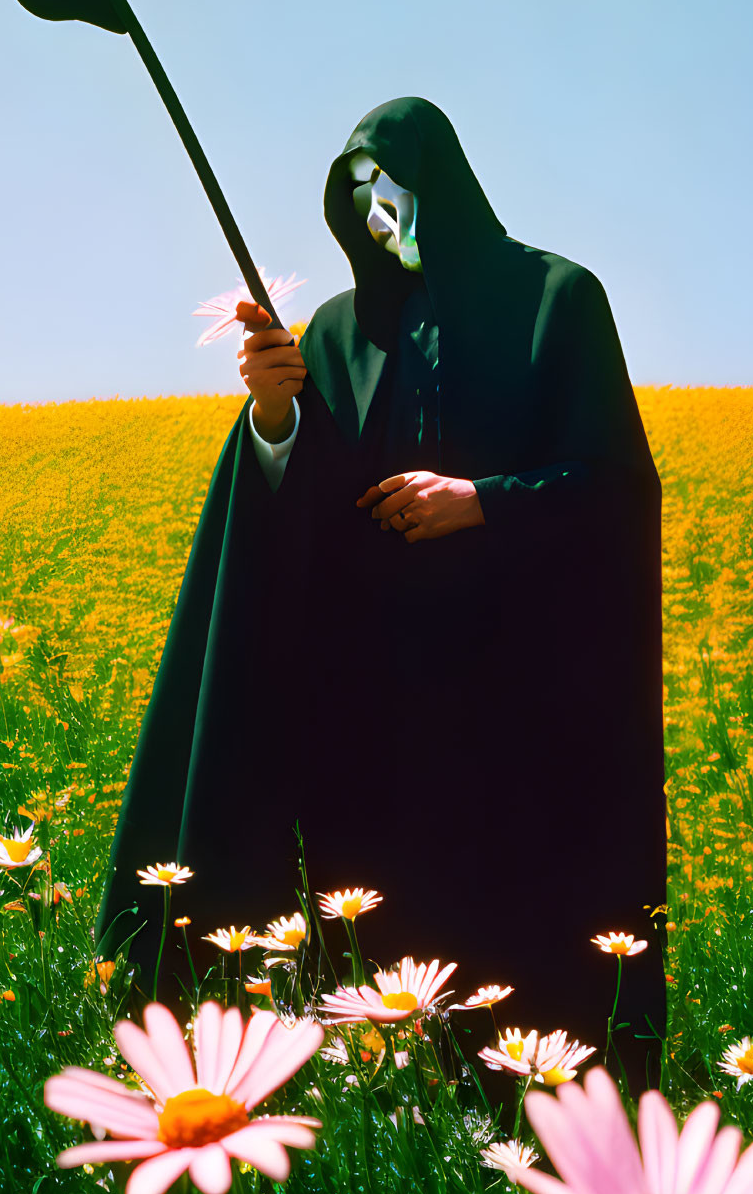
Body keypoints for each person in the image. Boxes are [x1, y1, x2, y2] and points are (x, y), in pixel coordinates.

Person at [96, 96, 665, 1086]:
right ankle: (392, 1125)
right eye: (352, 193)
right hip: (368, 721)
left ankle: (538, 1128)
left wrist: (479, 501)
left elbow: (617, 485)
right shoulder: (332, 333)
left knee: (527, 981)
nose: (374, 211)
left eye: (390, 187)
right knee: (374, 969)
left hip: (520, 712)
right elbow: (295, 505)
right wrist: (275, 411)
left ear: (440, 182)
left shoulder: (558, 298)